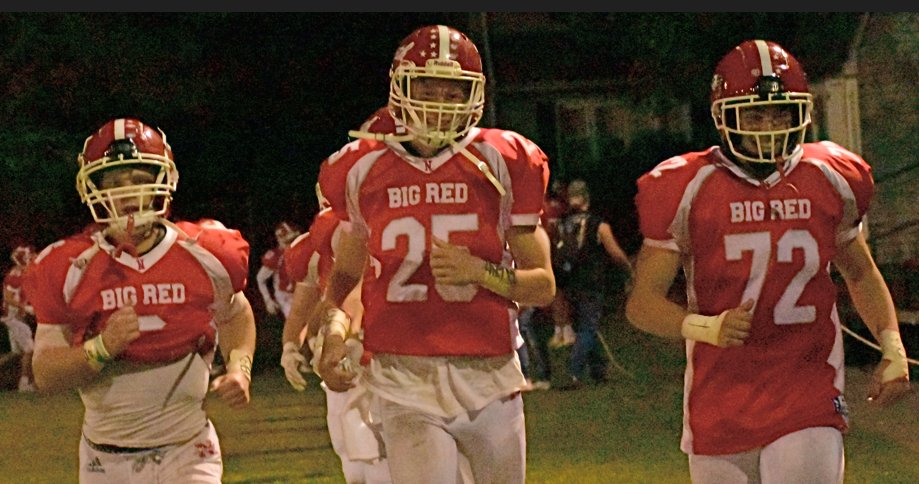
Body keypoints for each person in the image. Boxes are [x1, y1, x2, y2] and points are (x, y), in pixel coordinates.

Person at [626, 40, 911, 483]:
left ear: (801, 113)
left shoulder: (828, 177)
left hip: (806, 389)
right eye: (755, 116)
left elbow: (860, 272)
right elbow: (641, 305)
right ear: (724, 117)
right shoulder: (688, 186)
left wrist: (892, 345)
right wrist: (706, 327)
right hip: (720, 397)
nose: (769, 128)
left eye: (779, 114)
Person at [314, 24, 555, 484]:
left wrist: (479, 271)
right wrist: (332, 330)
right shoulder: (361, 168)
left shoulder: (502, 160)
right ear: (400, 87)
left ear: (473, 95)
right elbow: (345, 274)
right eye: (427, 88)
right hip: (402, 373)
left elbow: (543, 286)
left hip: (489, 374)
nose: (439, 102)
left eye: (453, 91)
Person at [25, 117, 256, 483]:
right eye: (115, 182)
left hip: (188, 451)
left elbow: (236, 315)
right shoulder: (68, 266)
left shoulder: (207, 253)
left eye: (137, 179)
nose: (128, 192)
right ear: (93, 189)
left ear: (162, 181)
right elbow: (46, 374)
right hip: (105, 461)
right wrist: (102, 347)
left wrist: (239, 368)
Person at [552, 179, 632, 389]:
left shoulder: (561, 223)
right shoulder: (598, 224)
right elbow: (615, 253)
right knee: (588, 327)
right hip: (592, 282)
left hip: (569, 282)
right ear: (587, 198)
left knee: (586, 327)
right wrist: (629, 269)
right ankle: (573, 372)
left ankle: (598, 370)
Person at [2, 244, 37, 392]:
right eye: (30, 256)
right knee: (29, 349)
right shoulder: (15, 276)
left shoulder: (24, 273)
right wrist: (25, 308)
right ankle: (24, 383)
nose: (34, 257)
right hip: (12, 318)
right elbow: (8, 298)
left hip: (17, 318)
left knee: (17, 353)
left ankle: (27, 381)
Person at [257, 221, 301, 318]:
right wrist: (268, 300)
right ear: (279, 241)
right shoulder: (276, 256)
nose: (292, 244)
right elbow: (260, 278)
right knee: (296, 321)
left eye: (294, 240)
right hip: (286, 295)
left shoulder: (304, 251)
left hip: (303, 292)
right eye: (289, 241)